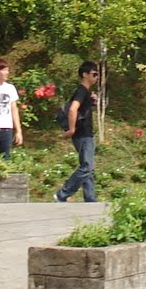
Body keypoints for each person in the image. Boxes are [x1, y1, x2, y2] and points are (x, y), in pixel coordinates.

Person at [54, 61, 102, 203]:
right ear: (85, 74)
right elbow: (72, 109)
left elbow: (81, 110)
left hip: (86, 133)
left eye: (97, 74)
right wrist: (72, 129)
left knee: (88, 166)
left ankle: (90, 197)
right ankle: (62, 194)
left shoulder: (85, 92)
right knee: (87, 166)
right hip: (82, 134)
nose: (96, 77)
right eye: (94, 74)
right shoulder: (81, 90)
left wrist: (92, 102)